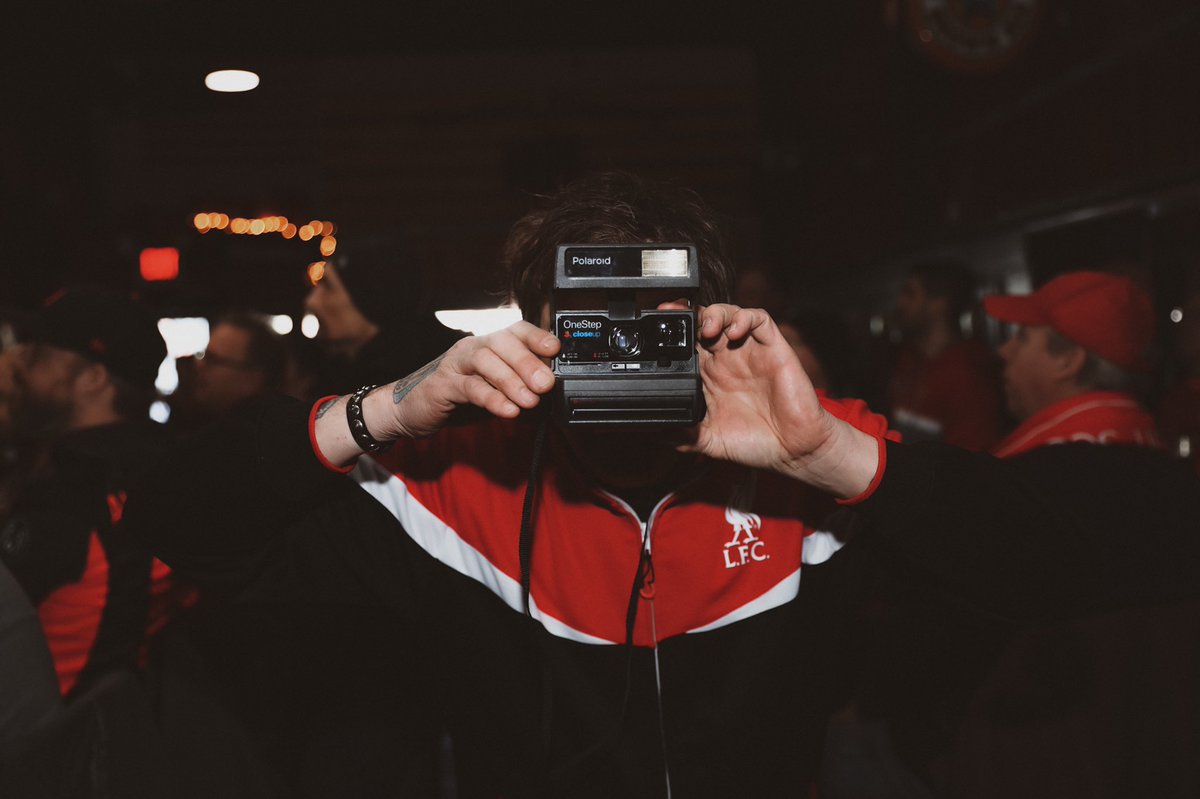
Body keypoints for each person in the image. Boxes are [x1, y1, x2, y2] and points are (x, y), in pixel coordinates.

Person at [126, 171, 896, 798]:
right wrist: (382, 411)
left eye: (653, 319)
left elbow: (1010, 545)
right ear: (538, 336)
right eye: (591, 321)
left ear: (709, 322)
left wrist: (828, 454)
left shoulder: (816, 450)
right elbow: (175, 520)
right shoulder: (454, 486)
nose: (622, 348)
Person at [0, 287, 184, 699]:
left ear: (94, 378)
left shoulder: (74, 496)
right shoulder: (161, 469)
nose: (15, 366)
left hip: (36, 737)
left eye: (35, 356)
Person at [987, 270, 1159, 456]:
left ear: (1067, 360)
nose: (1003, 351)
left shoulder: (1021, 465)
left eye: (1022, 337)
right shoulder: (1156, 444)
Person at [886, 259, 1004, 450]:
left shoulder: (967, 374)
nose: (900, 302)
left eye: (910, 293)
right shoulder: (909, 358)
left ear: (939, 304)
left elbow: (972, 463)